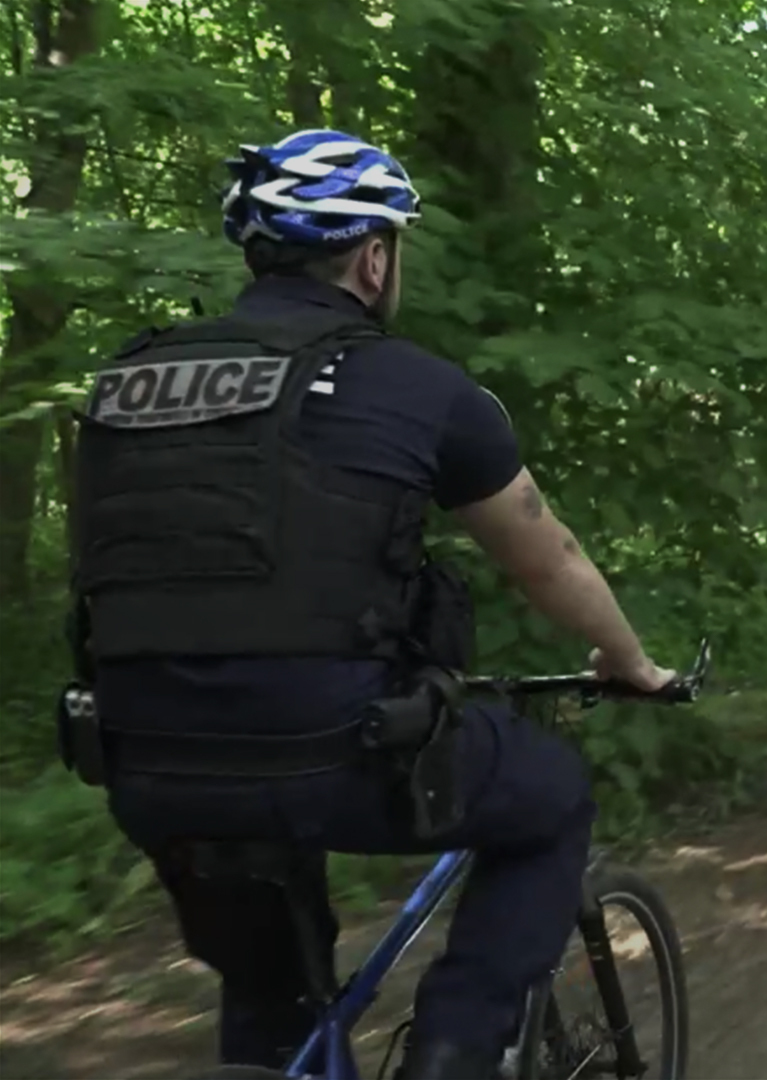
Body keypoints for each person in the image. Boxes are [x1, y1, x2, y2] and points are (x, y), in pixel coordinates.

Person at [65, 129, 673, 1079]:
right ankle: (456, 1050)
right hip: (331, 749)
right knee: (551, 795)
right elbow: (545, 557)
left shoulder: (124, 383)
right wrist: (629, 662)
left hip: (140, 758)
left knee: (272, 994)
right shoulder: (419, 388)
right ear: (374, 255)